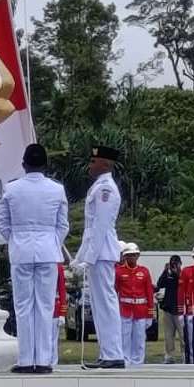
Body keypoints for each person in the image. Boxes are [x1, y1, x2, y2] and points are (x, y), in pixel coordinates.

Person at [0, 143, 70, 374]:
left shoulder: (11, 189)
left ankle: (27, 359)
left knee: (24, 306)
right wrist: (50, 241)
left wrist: (17, 240)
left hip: (21, 250)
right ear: (45, 165)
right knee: (45, 306)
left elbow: (3, 224)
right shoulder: (56, 190)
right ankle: (45, 360)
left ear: (24, 164)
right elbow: (63, 225)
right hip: (48, 250)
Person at [72, 145, 125, 369]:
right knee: (99, 304)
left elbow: (101, 226)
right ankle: (107, 353)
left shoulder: (106, 189)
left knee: (106, 304)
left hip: (102, 254)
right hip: (97, 253)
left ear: (105, 163)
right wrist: (79, 257)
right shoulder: (98, 187)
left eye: (94, 162)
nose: (90, 165)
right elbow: (90, 229)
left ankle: (113, 354)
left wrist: (89, 258)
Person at [116, 243, 154, 367]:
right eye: (129, 255)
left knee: (139, 339)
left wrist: (150, 314)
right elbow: (115, 291)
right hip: (125, 309)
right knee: (125, 338)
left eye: (134, 255)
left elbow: (149, 293)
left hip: (141, 310)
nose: (132, 258)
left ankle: (138, 362)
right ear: (125, 257)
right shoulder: (119, 271)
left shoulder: (144, 271)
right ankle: (126, 361)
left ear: (138, 256)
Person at [177, 244, 194, 363]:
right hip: (189, 308)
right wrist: (180, 311)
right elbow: (181, 291)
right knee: (189, 337)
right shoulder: (187, 271)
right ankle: (191, 358)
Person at [156, 255, 183, 364]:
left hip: (179, 309)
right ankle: (169, 355)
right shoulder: (167, 274)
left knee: (183, 335)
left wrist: (177, 273)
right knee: (168, 336)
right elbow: (159, 285)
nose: (174, 265)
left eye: (176, 263)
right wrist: (165, 271)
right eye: (172, 263)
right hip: (168, 308)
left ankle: (184, 354)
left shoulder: (182, 274)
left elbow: (182, 283)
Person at [51, 263, 67, 366]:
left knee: (52, 339)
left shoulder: (58, 267)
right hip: (40, 308)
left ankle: (53, 362)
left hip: (54, 309)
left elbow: (62, 290)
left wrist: (62, 313)